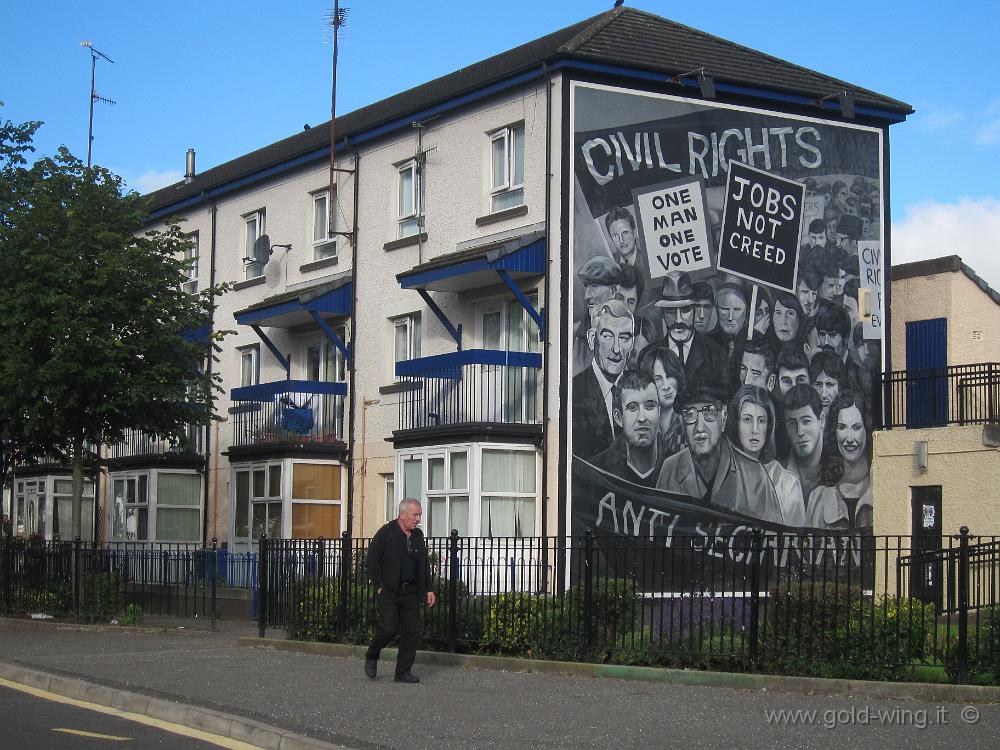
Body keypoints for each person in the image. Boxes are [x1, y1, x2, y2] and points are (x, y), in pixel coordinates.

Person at [656, 377, 783, 524]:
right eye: (690, 414)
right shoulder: (670, 469)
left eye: (709, 412)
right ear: (682, 424)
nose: (700, 427)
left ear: (723, 419)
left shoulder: (755, 476)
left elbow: (775, 540)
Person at [365, 498, 436, 683]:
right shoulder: (386, 533)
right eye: (415, 514)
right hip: (389, 590)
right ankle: (372, 654)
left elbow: (423, 565)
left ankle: (403, 672)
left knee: (412, 631)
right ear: (402, 515)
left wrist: (429, 589)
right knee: (388, 629)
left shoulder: (418, 536)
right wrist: (379, 585)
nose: (418, 518)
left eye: (420, 514)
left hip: (410, 591)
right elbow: (372, 560)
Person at [725, 385, 805, 526]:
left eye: (761, 421)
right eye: (747, 420)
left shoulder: (787, 483)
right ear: (735, 423)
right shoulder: (721, 474)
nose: (755, 430)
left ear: (769, 426)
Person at [572, 299, 635, 459]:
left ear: (632, 343)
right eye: (607, 336)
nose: (616, 349)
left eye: (624, 338)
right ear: (593, 339)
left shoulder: (641, 389)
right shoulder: (573, 393)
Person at [806, 390, 873, 530]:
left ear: (867, 430)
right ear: (834, 431)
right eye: (842, 427)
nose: (849, 439)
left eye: (856, 427)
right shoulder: (817, 498)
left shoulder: (880, 490)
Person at [652, 272, 729, 387]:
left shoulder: (717, 354)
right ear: (663, 313)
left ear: (694, 311)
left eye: (685, 310)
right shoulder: (649, 356)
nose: (678, 320)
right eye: (671, 311)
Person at [591, 369, 663, 486]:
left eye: (649, 406)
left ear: (659, 412)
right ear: (619, 418)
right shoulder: (596, 472)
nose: (642, 418)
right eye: (632, 408)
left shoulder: (677, 468)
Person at [572, 255, 622, 376]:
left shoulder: (632, 333)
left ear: (614, 291)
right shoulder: (574, 334)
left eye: (594, 286)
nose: (587, 296)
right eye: (586, 286)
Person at [638, 345, 686, 458]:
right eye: (658, 379)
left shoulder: (687, 423)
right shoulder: (641, 424)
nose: (666, 386)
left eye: (669, 376)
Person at [781, 384, 826, 506]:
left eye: (806, 421)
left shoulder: (842, 468)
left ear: (822, 420)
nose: (800, 432)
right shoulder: (779, 474)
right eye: (792, 424)